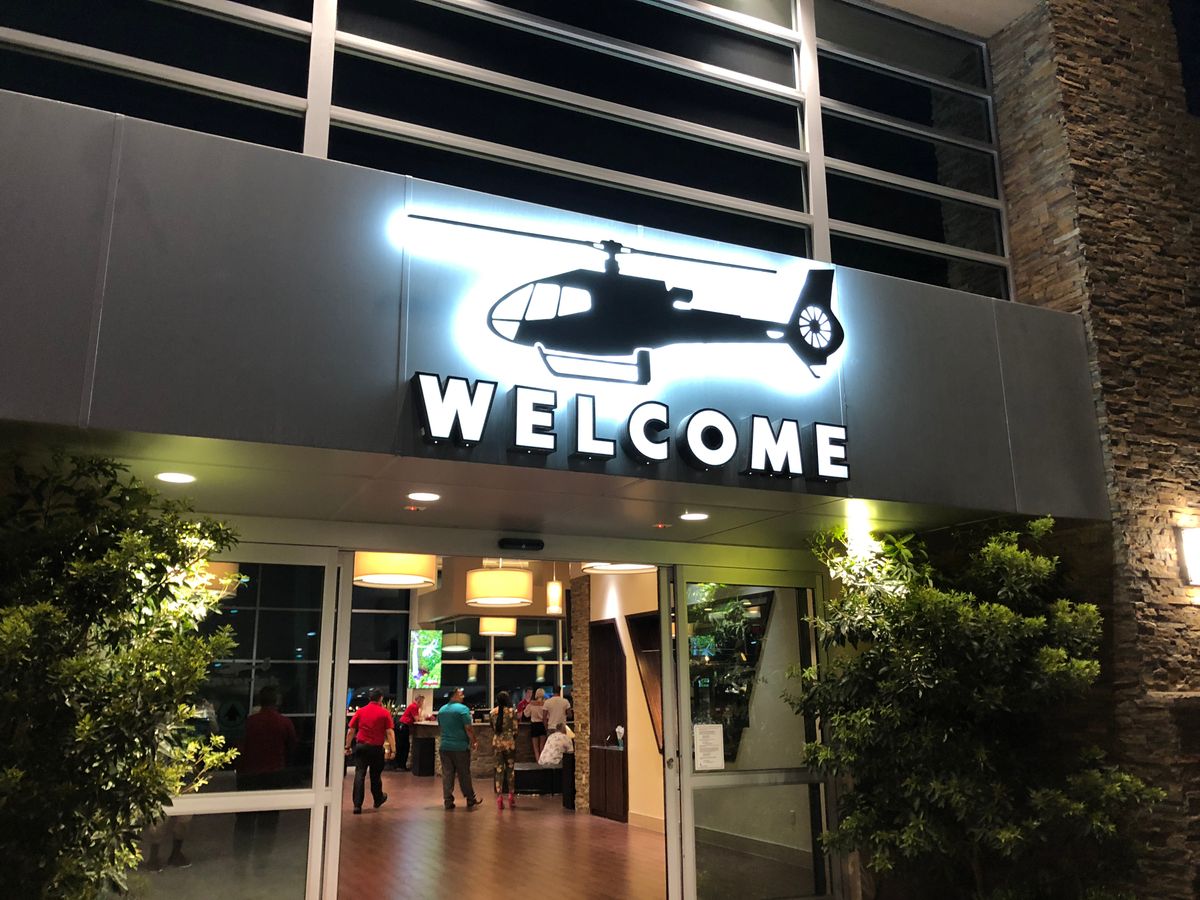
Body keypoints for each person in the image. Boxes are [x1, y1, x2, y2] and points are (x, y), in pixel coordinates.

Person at [235, 686, 298, 858]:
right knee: (269, 820)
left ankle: (241, 855)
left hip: (248, 774)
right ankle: (262, 858)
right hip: (273, 775)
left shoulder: (250, 722)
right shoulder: (284, 722)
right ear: (277, 701)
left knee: (244, 819)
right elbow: (292, 746)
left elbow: (240, 746)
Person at [344, 690, 395, 815]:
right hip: (376, 748)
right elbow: (389, 732)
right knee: (375, 775)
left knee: (359, 774)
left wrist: (347, 746)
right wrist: (393, 749)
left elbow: (351, 730)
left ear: (369, 698)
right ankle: (378, 799)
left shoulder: (360, 711)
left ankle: (357, 805)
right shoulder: (384, 712)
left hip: (362, 747)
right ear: (380, 698)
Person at [437, 688, 482, 810]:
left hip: (445, 747)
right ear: (454, 695)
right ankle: (470, 798)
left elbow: (441, 727)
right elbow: (468, 728)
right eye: (460, 694)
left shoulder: (441, 710)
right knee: (464, 774)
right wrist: (474, 741)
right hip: (460, 747)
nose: (463, 696)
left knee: (447, 774)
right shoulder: (463, 709)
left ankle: (448, 800)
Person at [490, 691, 519, 810]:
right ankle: (511, 795)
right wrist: (511, 738)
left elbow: (493, 728)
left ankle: (499, 797)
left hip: (497, 744)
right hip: (509, 744)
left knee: (499, 770)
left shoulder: (492, 712)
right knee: (510, 770)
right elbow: (515, 729)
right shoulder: (512, 712)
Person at [396, 694, 424, 771]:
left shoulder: (413, 706)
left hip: (402, 726)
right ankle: (401, 766)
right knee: (404, 746)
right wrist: (421, 710)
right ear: (419, 701)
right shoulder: (414, 706)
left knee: (402, 746)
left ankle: (401, 765)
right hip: (403, 726)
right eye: (422, 701)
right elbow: (417, 719)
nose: (422, 703)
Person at [525, 687, 548, 762]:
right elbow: (548, 715)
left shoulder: (531, 704)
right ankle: (542, 760)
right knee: (542, 745)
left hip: (534, 725)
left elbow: (526, 714)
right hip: (542, 724)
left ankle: (538, 760)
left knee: (535, 747)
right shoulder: (545, 704)